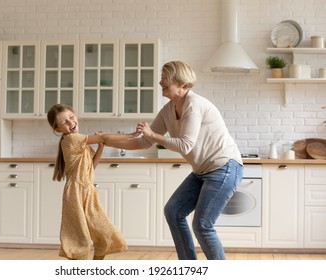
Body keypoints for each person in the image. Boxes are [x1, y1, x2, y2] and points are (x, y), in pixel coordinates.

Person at [106, 61, 243, 260]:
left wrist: (153, 136)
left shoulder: (194, 105)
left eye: (165, 78)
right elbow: (144, 142)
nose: (160, 81)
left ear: (180, 82)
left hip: (224, 167)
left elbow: (184, 145)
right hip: (202, 171)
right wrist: (108, 141)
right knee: (173, 211)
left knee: (203, 225)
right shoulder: (168, 110)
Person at [47, 104, 139, 260]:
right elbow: (103, 137)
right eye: (65, 122)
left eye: (71, 117)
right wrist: (132, 135)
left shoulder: (80, 141)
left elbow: (91, 167)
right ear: (58, 129)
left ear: (75, 115)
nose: (70, 123)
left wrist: (100, 147)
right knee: (79, 236)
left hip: (88, 191)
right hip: (75, 194)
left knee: (103, 231)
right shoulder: (71, 140)